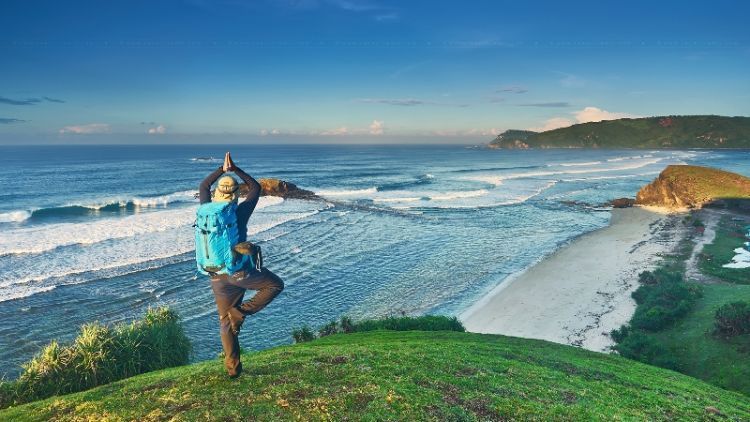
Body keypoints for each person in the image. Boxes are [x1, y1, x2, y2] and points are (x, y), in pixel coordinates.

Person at [199, 152, 284, 378]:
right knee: (275, 285)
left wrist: (220, 170)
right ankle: (240, 312)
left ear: (217, 193)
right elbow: (255, 187)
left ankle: (233, 371)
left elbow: (203, 186)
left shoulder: (206, 209)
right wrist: (235, 169)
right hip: (240, 273)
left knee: (224, 323)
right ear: (236, 195)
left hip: (216, 275)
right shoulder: (239, 213)